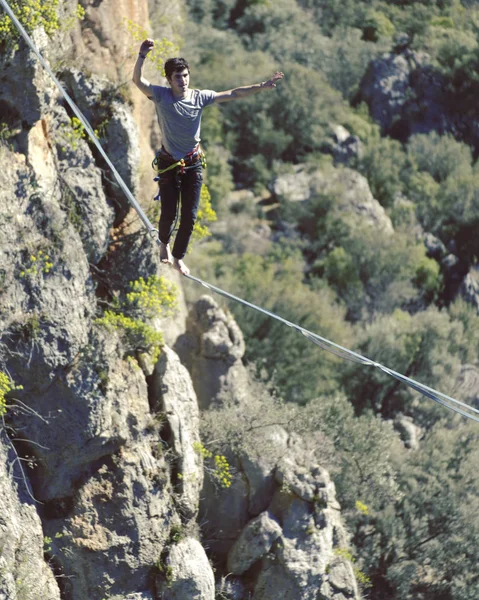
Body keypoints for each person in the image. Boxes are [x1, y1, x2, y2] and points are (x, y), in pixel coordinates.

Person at [132, 38, 284, 276]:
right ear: (169, 80)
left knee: (190, 218)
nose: (183, 81)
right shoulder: (161, 96)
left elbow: (233, 93)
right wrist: (142, 55)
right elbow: (138, 81)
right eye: (177, 77)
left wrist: (261, 86)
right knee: (169, 213)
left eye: (185, 75)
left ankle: (178, 257)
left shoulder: (199, 97)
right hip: (168, 164)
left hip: (193, 164)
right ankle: (164, 244)